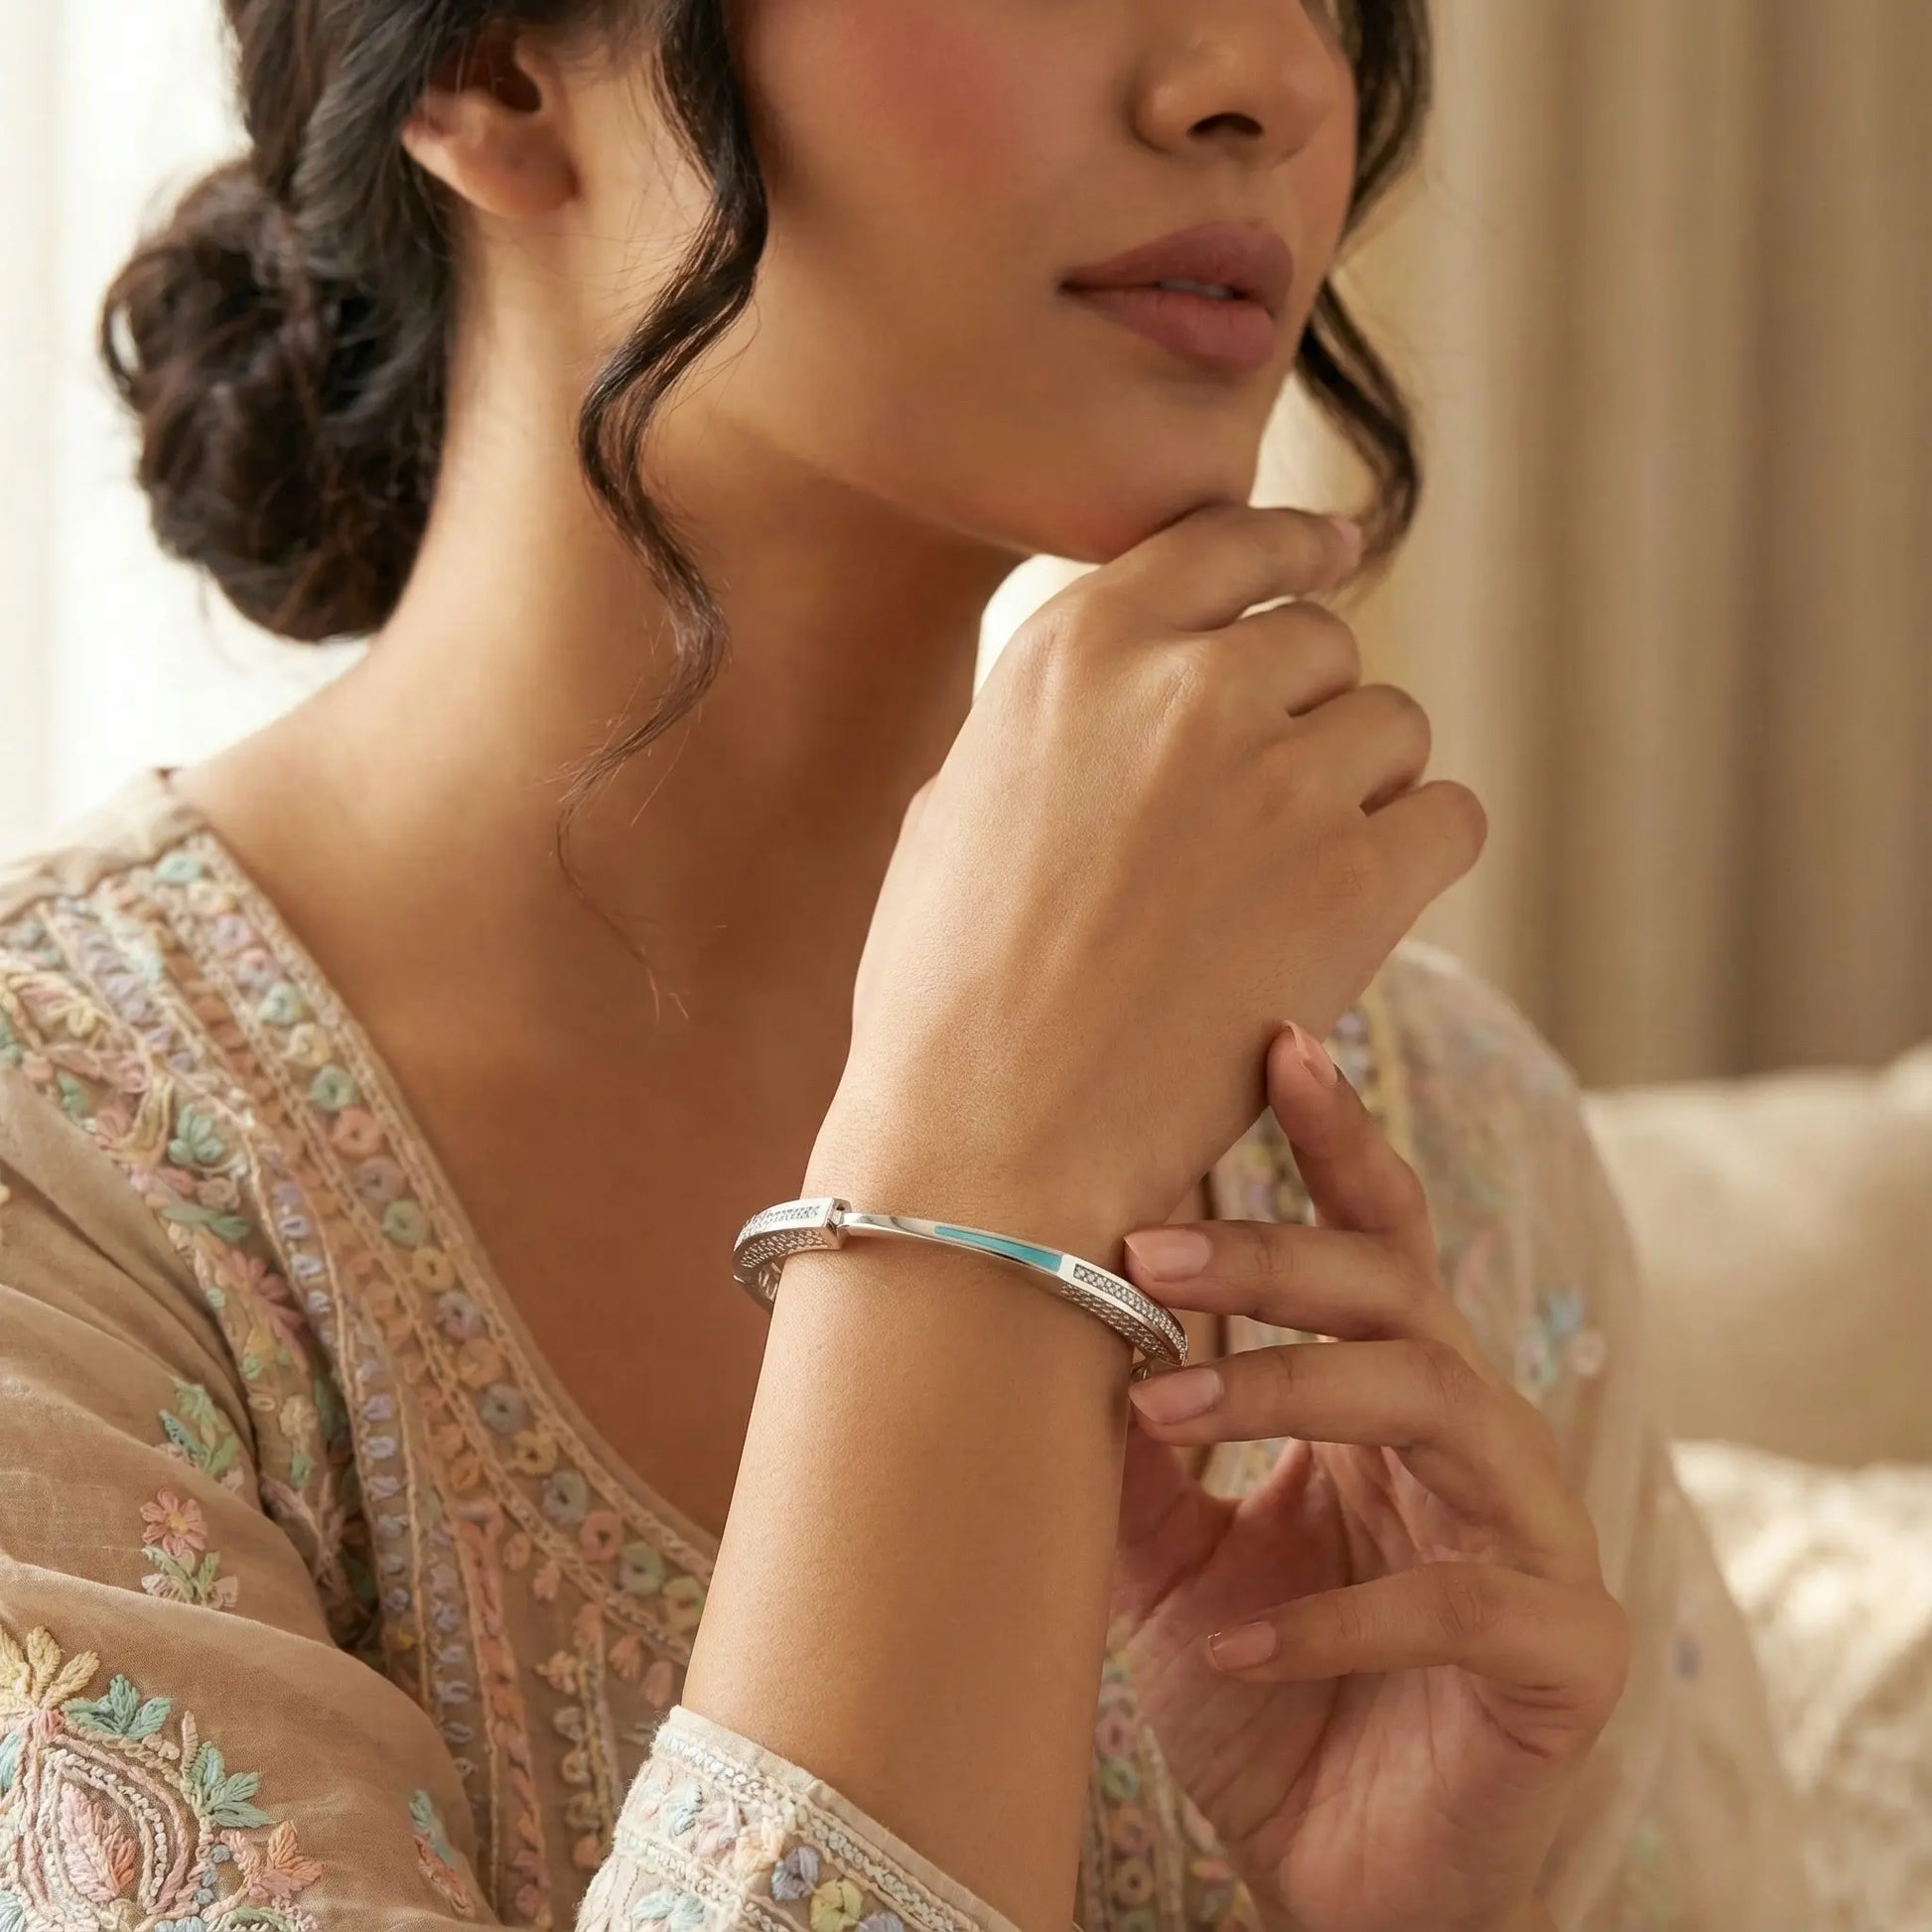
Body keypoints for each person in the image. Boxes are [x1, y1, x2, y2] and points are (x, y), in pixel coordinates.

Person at [0, 3, 1807, 1928]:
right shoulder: (67, 1178)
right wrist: (973, 1196)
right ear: (500, 68)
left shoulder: (1433, 1139)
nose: (1271, 81)